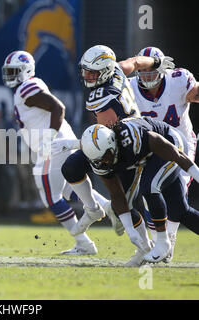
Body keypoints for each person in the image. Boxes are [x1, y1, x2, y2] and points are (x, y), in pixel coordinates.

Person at [57, 45, 175, 262]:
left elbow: (103, 139)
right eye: (86, 71)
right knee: (71, 167)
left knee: (124, 207)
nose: (88, 76)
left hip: (125, 148)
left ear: (105, 71)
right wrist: (156, 63)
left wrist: (72, 142)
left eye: (93, 73)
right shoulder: (118, 70)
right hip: (118, 138)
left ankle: (145, 247)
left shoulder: (100, 97)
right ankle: (92, 208)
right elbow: (137, 61)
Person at [2, 50, 115, 255]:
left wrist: (48, 138)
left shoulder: (27, 87)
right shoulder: (26, 87)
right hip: (58, 143)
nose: (10, 75)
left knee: (50, 197)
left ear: (26, 71)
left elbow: (58, 107)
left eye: (15, 71)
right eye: (8, 71)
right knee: (67, 191)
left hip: (53, 146)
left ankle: (83, 243)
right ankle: (109, 207)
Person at [79, 117, 199, 263]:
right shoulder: (100, 159)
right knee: (180, 211)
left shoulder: (132, 138)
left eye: (105, 157)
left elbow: (177, 155)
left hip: (171, 142)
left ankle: (162, 242)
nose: (103, 162)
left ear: (112, 144)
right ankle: (161, 242)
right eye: (98, 160)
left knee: (149, 187)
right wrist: (130, 230)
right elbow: (117, 194)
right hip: (149, 158)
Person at [127, 46, 199, 261]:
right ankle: (163, 245)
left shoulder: (178, 80)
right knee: (162, 199)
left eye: (152, 72)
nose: (148, 77)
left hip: (182, 146)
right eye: (144, 72)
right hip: (153, 150)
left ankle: (165, 244)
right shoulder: (129, 88)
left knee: (170, 199)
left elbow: (194, 92)